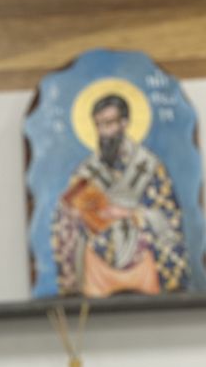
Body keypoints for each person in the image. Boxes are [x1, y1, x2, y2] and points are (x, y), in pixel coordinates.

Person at [50, 94, 188, 296]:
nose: (103, 132)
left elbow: (170, 217)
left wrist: (128, 213)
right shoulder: (86, 171)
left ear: (124, 123)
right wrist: (76, 214)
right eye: (98, 125)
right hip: (97, 258)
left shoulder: (149, 166)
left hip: (140, 252)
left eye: (109, 123)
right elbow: (68, 214)